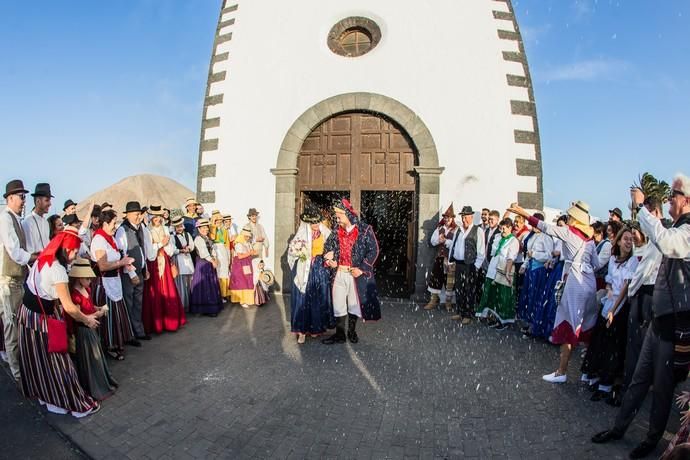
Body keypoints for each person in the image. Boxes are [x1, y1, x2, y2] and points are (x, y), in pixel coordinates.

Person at [592, 174, 690, 459]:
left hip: (674, 328)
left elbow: (666, 242)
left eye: (675, 194)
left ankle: (651, 439)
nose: (670, 198)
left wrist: (642, 208)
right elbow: (650, 243)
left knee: (661, 388)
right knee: (637, 379)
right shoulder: (674, 227)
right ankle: (619, 427)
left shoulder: (685, 232)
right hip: (658, 323)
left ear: (687, 200)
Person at [507, 200, 600, 384]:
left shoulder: (568, 232)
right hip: (590, 283)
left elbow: (544, 227)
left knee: (568, 327)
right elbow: (596, 265)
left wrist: (522, 212)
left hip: (574, 282)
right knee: (587, 328)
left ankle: (561, 372)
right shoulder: (589, 240)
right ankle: (588, 371)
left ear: (574, 218)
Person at [18, 227, 100, 417]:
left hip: (28, 315)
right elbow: (70, 307)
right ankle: (71, 403)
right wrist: (87, 320)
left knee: (36, 360)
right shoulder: (57, 270)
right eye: (73, 251)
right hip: (43, 321)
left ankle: (46, 397)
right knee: (58, 364)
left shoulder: (42, 258)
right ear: (66, 249)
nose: (74, 255)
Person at [581, 226, 638, 405]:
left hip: (620, 307)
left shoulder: (633, 261)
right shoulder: (613, 259)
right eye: (625, 239)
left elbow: (626, 287)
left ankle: (607, 384)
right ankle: (596, 377)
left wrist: (614, 309)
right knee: (601, 341)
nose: (628, 242)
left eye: (631, 239)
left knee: (613, 346)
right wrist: (608, 292)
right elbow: (610, 282)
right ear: (619, 241)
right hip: (609, 302)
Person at [321, 198, 381, 345]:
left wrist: (362, 269)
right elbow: (328, 248)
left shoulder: (365, 229)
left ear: (347, 214)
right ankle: (340, 334)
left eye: (339, 215)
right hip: (339, 273)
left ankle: (352, 332)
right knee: (338, 304)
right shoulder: (336, 231)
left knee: (354, 304)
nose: (337, 218)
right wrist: (329, 259)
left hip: (355, 274)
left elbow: (374, 250)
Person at [1, 179, 38, 381]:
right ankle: (17, 373)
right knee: (12, 327)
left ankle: (20, 366)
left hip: (17, 279)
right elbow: (15, 252)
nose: (24, 201)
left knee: (17, 326)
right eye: (22, 197)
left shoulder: (15, 219)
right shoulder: (6, 219)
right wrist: (34, 257)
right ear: (11, 198)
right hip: (8, 282)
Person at [623, 199, 662, 393]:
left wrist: (631, 291)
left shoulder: (657, 238)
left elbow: (643, 271)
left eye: (645, 214)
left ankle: (636, 382)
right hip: (649, 292)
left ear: (654, 213)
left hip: (647, 293)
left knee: (638, 341)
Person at [67, 258, 118, 401]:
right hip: (83, 331)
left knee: (96, 357)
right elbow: (78, 316)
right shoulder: (74, 295)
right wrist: (97, 314)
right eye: (87, 278)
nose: (90, 280)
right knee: (90, 359)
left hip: (91, 329)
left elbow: (90, 305)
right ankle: (94, 387)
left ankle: (101, 382)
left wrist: (98, 308)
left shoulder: (86, 289)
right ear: (78, 278)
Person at [92, 209, 137, 360]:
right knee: (108, 315)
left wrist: (127, 266)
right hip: (105, 283)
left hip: (114, 281)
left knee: (116, 314)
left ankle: (116, 343)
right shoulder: (99, 240)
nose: (115, 226)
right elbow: (102, 266)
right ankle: (108, 346)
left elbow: (119, 258)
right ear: (105, 223)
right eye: (113, 223)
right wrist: (121, 262)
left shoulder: (110, 239)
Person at [287, 205, 333, 343]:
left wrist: (329, 255)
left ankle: (315, 328)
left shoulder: (325, 233)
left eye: (317, 222)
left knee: (317, 298)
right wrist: (299, 252)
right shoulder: (301, 235)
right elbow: (291, 251)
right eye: (313, 223)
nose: (316, 225)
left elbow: (333, 248)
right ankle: (301, 331)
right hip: (305, 269)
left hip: (319, 269)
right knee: (303, 299)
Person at [143, 205, 186, 334]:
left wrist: (167, 245)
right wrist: (161, 243)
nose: (157, 219)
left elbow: (171, 249)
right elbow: (149, 251)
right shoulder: (147, 231)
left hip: (165, 261)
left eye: (159, 217)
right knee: (155, 291)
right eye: (155, 217)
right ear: (151, 218)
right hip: (154, 263)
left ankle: (170, 322)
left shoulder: (166, 229)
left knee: (167, 289)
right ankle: (157, 324)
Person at [114, 201, 150, 341]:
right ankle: (130, 334)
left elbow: (142, 249)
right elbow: (122, 253)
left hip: (140, 271)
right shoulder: (123, 230)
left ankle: (139, 331)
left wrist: (145, 268)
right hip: (129, 274)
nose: (137, 217)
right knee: (129, 303)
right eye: (135, 214)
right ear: (127, 215)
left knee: (138, 303)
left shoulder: (140, 228)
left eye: (139, 214)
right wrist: (131, 273)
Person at [476, 217, 519, 329]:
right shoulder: (498, 237)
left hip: (503, 269)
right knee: (491, 292)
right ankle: (494, 317)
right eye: (501, 229)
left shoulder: (514, 241)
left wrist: (507, 273)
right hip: (493, 267)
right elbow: (493, 252)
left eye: (504, 229)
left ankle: (504, 321)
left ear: (510, 228)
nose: (502, 231)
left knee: (503, 296)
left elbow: (511, 258)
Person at [446, 206, 485, 324]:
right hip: (459, 263)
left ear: (471, 217)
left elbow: (481, 250)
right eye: (462, 217)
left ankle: (468, 314)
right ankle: (460, 311)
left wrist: (476, 267)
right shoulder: (458, 230)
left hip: (470, 265)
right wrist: (450, 261)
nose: (464, 220)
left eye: (466, 217)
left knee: (469, 289)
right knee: (459, 288)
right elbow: (453, 246)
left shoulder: (478, 231)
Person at [517, 213, 554, 336]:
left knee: (536, 297)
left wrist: (535, 255)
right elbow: (529, 253)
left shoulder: (546, 237)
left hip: (540, 272)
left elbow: (549, 256)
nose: (531, 226)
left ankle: (534, 325)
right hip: (531, 270)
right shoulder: (532, 236)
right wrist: (524, 265)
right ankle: (528, 322)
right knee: (528, 295)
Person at [424, 204, 457, 311]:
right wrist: (439, 240)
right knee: (436, 279)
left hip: (450, 260)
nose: (447, 219)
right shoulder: (439, 228)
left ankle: (448, 303)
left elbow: (457, 244)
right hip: (439, 258)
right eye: (445, 217)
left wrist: (446, 241)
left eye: (449, 217)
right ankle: (433, 301)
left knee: (449, 282)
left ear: (452, 218)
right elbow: (432, 242)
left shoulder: (456, 230)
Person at [190, 219, 223, 316]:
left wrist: (215, 258)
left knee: (210, 284)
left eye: (206, 227)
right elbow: (203, 253)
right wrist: (212, 260)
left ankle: (211, 307)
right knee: (204, 285)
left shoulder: (207, 238)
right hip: (203, 263)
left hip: (209, 262)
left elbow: (212, 249)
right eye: (203, 228)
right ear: (199, 229)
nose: (205, 229)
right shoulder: (198, 239)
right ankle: (206, 308)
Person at [229, 226, 259, 308]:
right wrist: (250, 253)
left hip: (246, 262)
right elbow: (239, 256)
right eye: (246, 236)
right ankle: (242, 300)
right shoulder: (239, 243)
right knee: (242, 281)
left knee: (247, 280)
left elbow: (247, 253)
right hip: (240, 264)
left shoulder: (247, 243)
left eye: (249, 236)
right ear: (242, 235)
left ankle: (247, 299)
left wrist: (252, 253)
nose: (248, 237)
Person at [171, 215, 195, 312]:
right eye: (177, 226)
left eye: (180, 226)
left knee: (189, 282)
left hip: (188, 259)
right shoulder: (172, 236)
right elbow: (173, 250)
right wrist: (181, 251)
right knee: (181, 283)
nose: (180, 228)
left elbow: (192, 245)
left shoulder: (187, 235)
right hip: (179, 260)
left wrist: (189, 249)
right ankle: (182, 305)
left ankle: (191, 303)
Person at [22, 183, 52, 255]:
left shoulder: (46, 222)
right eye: (47, 200)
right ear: (38, 201)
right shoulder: (27, 222)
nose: (50, 203)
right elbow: (29, 252)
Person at [210, 211, 231, 300]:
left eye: (220, 220)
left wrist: (229, 255)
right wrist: (214, 226)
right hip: (215, 249)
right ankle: (218, 294)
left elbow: (227, 243)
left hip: (223, 250)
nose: (218, 222)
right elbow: (212, 238)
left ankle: (224, 293)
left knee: (224, 271)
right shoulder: (211, 228)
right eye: (216, 220)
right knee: (218, 271)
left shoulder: (224, 230)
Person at [592, 221, 612, 290]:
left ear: (601, 233)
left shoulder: (607, 245)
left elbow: (598, 264)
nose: (593, 239)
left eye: (595, 236)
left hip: (601, 281)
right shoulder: (597, 244)